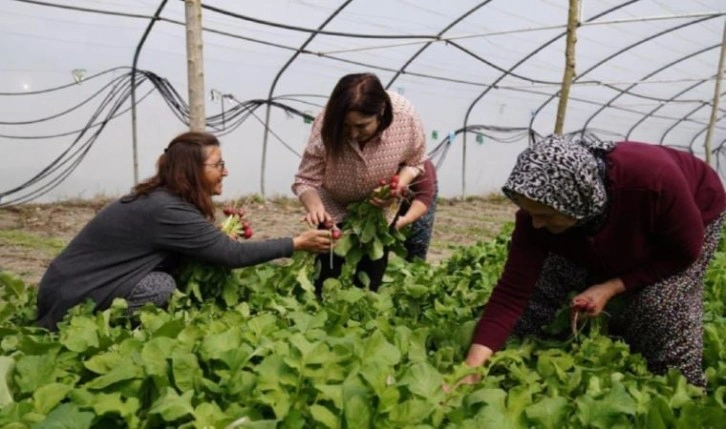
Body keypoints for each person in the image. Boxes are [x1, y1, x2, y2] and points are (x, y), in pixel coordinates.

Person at [462, 134, 726, 388]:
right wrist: (472, 368)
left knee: (658, 304)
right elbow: (512, 294)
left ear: (577, 203)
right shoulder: (537, 216)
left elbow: (682, 254)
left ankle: (682, 383)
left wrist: (611, 286)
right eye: (530, 213)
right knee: (542, 293)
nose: (535, 223)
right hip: (604, 215)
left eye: (545, 215)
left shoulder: (652, 183)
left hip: (694, 212)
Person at [37, 131, 333, 330]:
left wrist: (212, 239)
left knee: (164, 280)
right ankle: (100, 329)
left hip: (67, 287)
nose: (226, 171)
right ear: (192, 170)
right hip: (72, 298)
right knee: (159, 287)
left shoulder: (163, 200)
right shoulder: (166, 209)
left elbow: (205, 248)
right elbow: (231, 254)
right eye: (219, 165)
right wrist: (296, 243)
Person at [292, 73, 427, 293]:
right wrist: (315, 207)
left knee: (372, 273)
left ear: (381, 113)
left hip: (379, 211)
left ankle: (365, 311)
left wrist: (397, 187)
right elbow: (305, 179)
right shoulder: (326, 122)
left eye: (362, 126)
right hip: (332, 206)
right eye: (346, 126)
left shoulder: (406, 117)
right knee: (326, 272)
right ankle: (322, 308)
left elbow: (416, 161)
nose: (353, 133)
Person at [394, 158, 438, 261]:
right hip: (388, 192)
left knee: (417, 238)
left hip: (419, 191)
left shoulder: (418, 160)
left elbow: (423, 196)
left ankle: (413, 268)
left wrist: (406, 219)